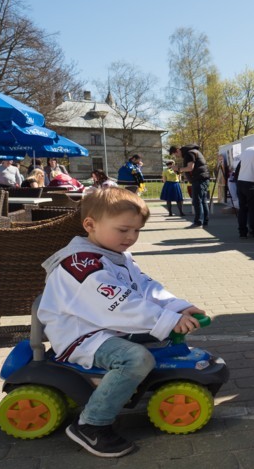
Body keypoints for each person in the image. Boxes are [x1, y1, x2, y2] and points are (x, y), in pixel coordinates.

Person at [38, 187, 205, 458]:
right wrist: (167, 319)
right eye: (123, 230)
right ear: (90, 225)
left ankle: (124, 391)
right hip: (81, 335)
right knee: (136, 359)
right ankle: (92, 424)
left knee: (157, 340)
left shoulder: (117, 255)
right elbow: (119, 304)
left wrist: (177, 306)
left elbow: (145, 286)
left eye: (137, 231)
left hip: (102, 326)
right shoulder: (82, 265)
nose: (131, 238)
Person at [169, 145, 210, 228]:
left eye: (175, 155)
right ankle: (204, 221)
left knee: (197, 201)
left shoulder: (189, 154)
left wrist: (178, 169)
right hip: (203, 178)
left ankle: (198, 222)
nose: (177, 157)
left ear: (177, 150)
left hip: (198, 179)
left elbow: (190, 168)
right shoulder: (194, 152)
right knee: (203, 201)